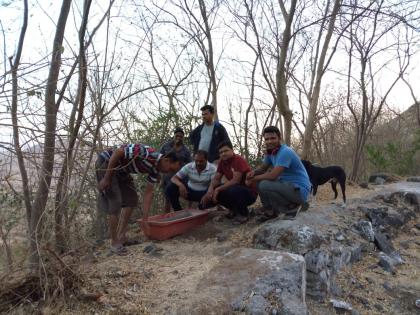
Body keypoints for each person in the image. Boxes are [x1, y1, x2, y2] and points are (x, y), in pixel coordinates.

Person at [96, 144, 181, 255]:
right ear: (166, 160)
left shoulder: (155, 171)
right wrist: (107, 178)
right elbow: (118, 152)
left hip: (122, 169)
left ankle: (122, 236)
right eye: (170, 169)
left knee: (132, 199)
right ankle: (114, 242)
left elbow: (148, 193)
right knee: (115, 201)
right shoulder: (146, 153)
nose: (168, 172)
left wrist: (145, 219)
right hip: (107, 162)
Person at [246, 126, 311, 220]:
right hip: (286, 186)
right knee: (260, 181)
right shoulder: (270, 152)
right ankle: (270, 211)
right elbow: (263, 168)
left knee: (263, 184)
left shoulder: (285, 151)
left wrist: (253, 179)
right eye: (267, 139)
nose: (269, 141)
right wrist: (252, 173)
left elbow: (273, 176)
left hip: (300, 190)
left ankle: (293, 206)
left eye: (273, 138)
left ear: (279, 138)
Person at [203, 141, 257, 224]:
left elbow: (236, 181)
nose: (223, 154)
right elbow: (216, 179)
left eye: (226, 151)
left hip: (249, 193)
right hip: (236, 189)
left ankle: (243, 214)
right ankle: (234, 211)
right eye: (221, 152)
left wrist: (217, 189)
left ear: (232, 150)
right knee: (216, 189)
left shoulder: (238, 160)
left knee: (232, 189)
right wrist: (210, 189)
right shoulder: (222, 162)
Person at [160, 127, 192, 212]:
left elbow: (190, 164)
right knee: (167, 198)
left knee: (186, 195)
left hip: (180, 177)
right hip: (167, 176)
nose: (178, 138)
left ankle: (188, 212)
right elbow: (159, 160)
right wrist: (160, 177)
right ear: (174, 136)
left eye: (181, 136)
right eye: (177, 136)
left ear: (183, 138)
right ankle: (166, 217)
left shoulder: (186, 150)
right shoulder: (166, 146)